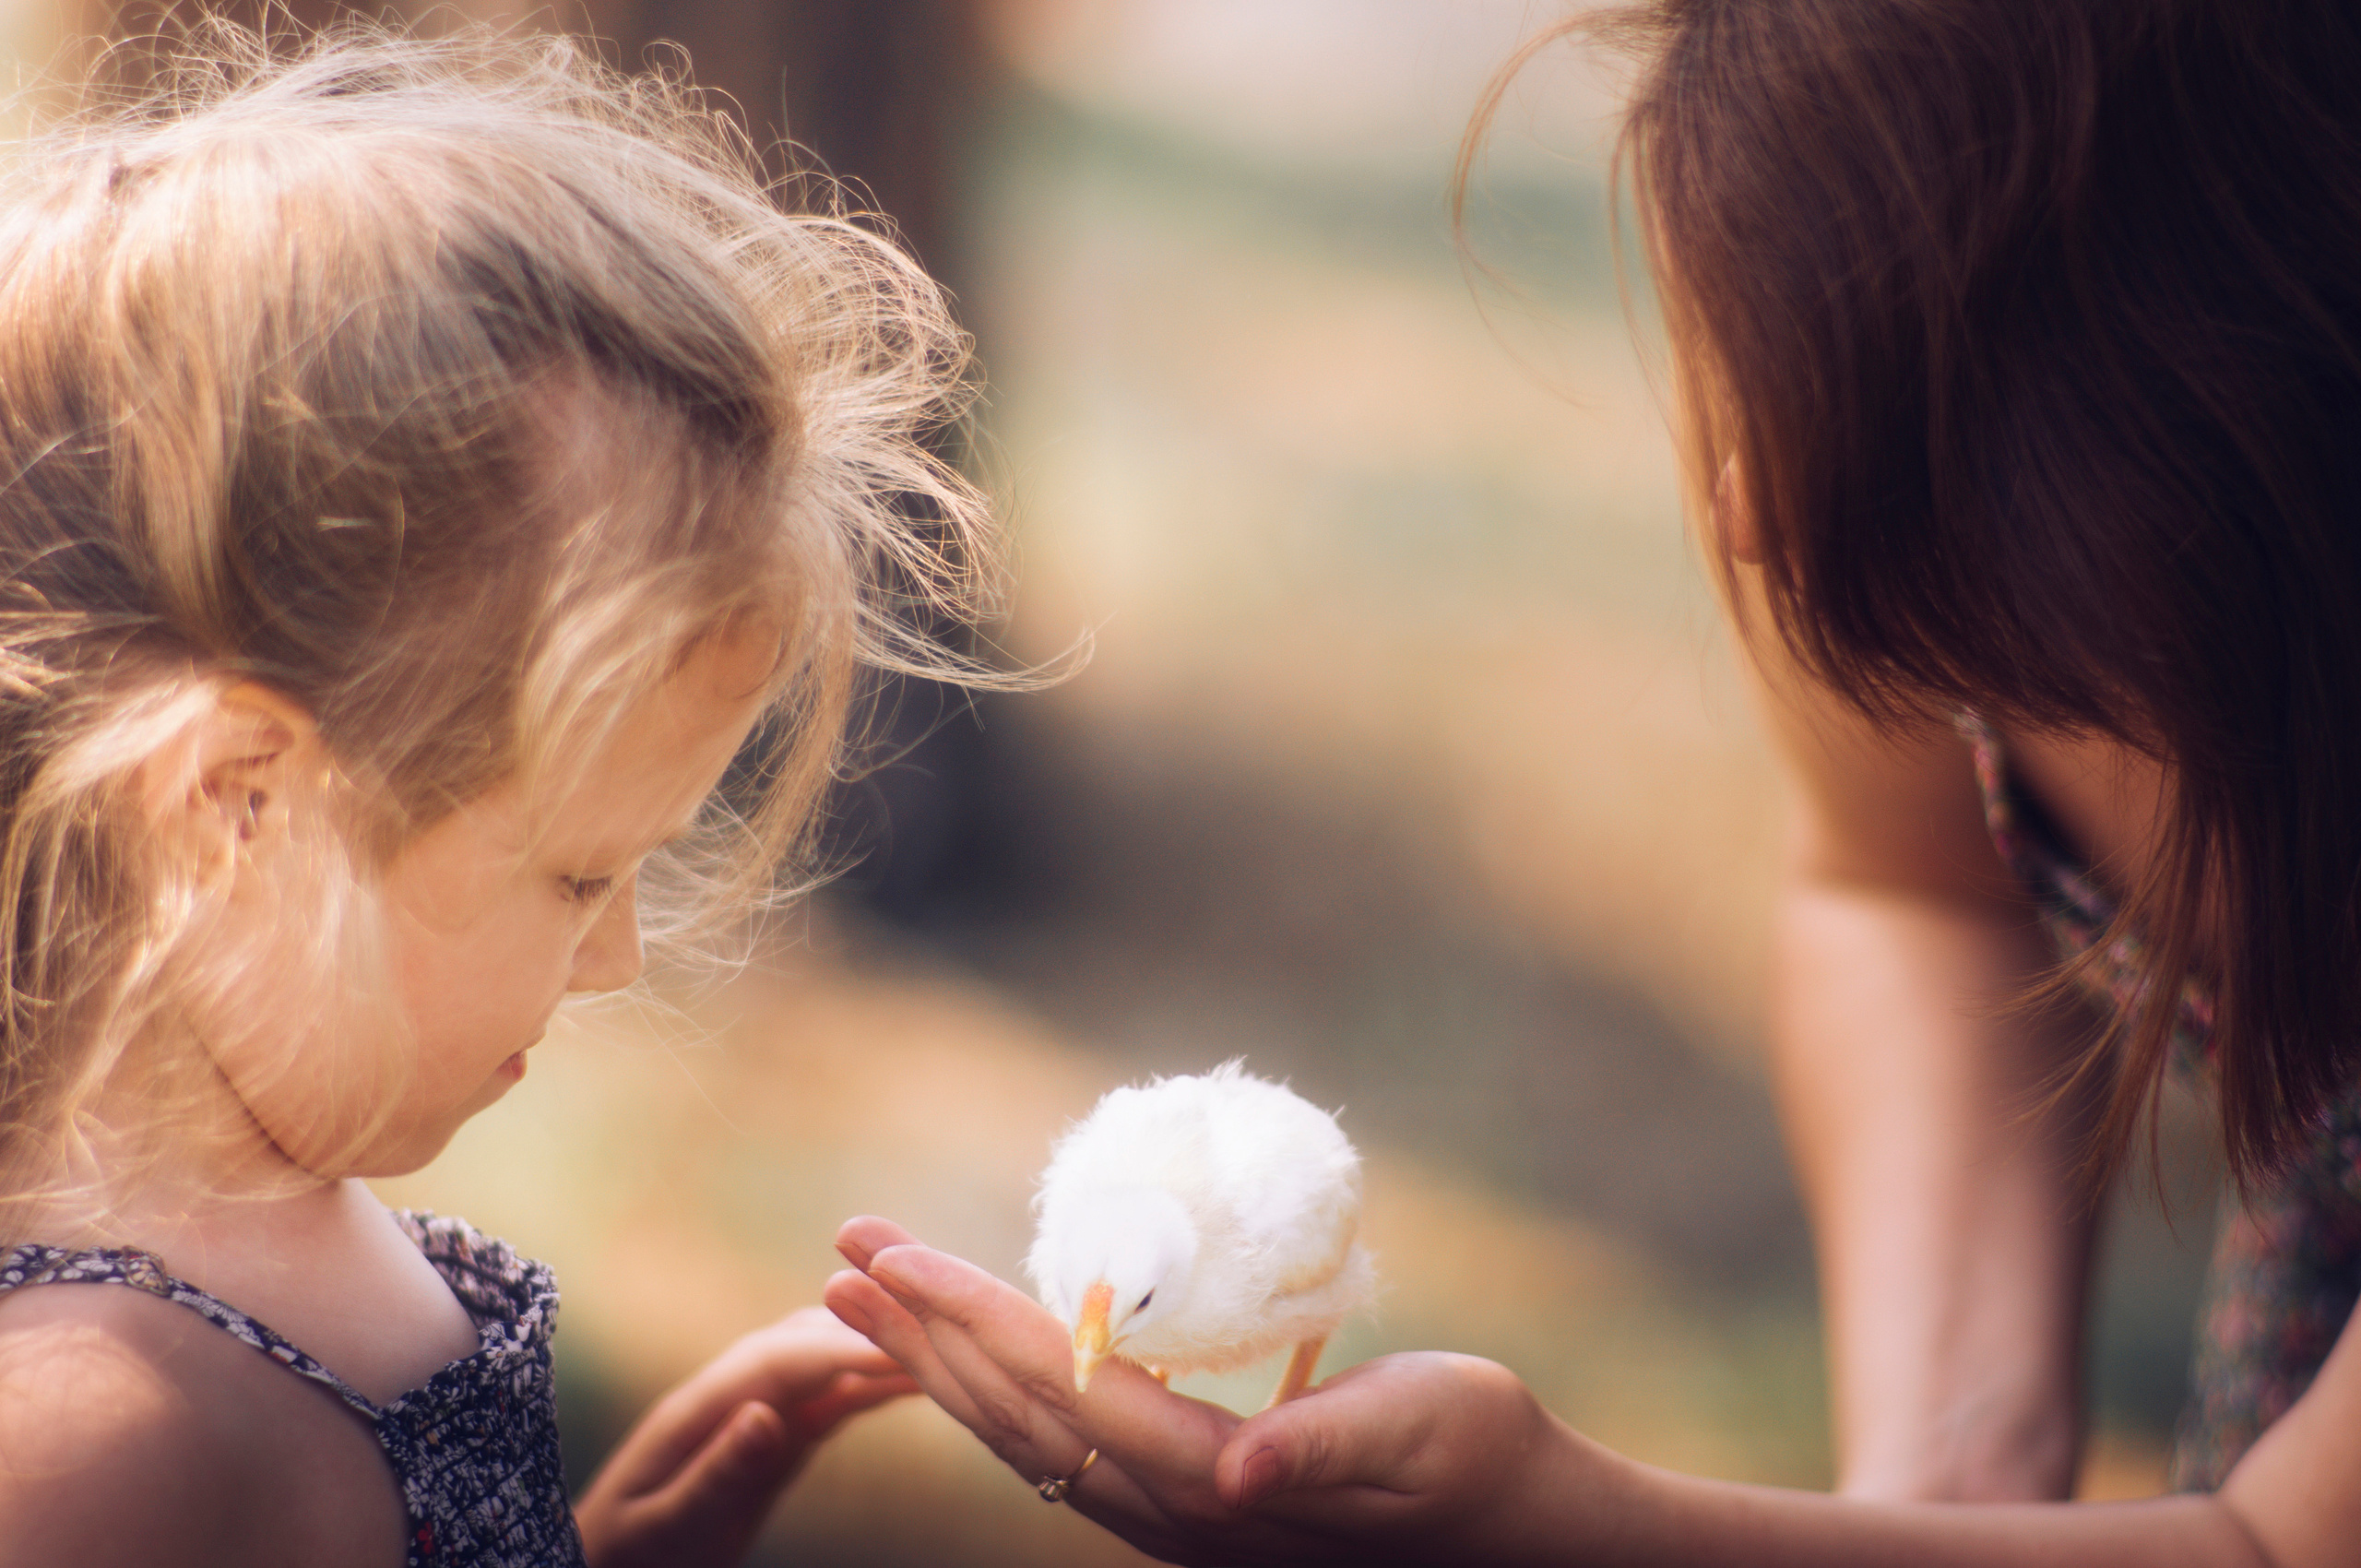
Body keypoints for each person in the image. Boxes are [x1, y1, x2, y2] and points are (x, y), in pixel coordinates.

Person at [825, 1, 2361, 1562]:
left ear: (2210, 391)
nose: (1748, 519)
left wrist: (1569, 1526)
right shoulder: (1961, 515)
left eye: (1892, 426)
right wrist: (1948, 1484)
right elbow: (1905, 876)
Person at [0, 18, 1003, 1568]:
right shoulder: (97, 1449)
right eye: (580, 877)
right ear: (235, 806)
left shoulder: (265, 1240)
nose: (619, 959)